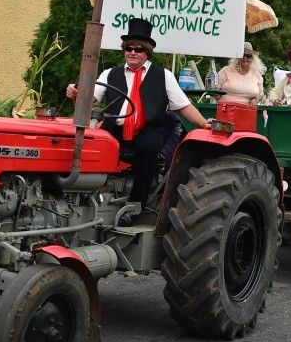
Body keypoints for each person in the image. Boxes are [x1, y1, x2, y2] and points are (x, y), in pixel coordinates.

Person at [66, 18, 211, 226]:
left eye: (139, 49)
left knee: (149, 147)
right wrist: (75, 93)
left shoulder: (164, 76)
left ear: (147, 52)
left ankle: (135, 208)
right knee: (93, 141)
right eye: (129, 48)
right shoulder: (110, 74)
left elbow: (183, 106)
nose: (133, 52)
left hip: (147, 131)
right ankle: (87, 200)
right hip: (114, 130)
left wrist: (203, 123)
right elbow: (89, 98)